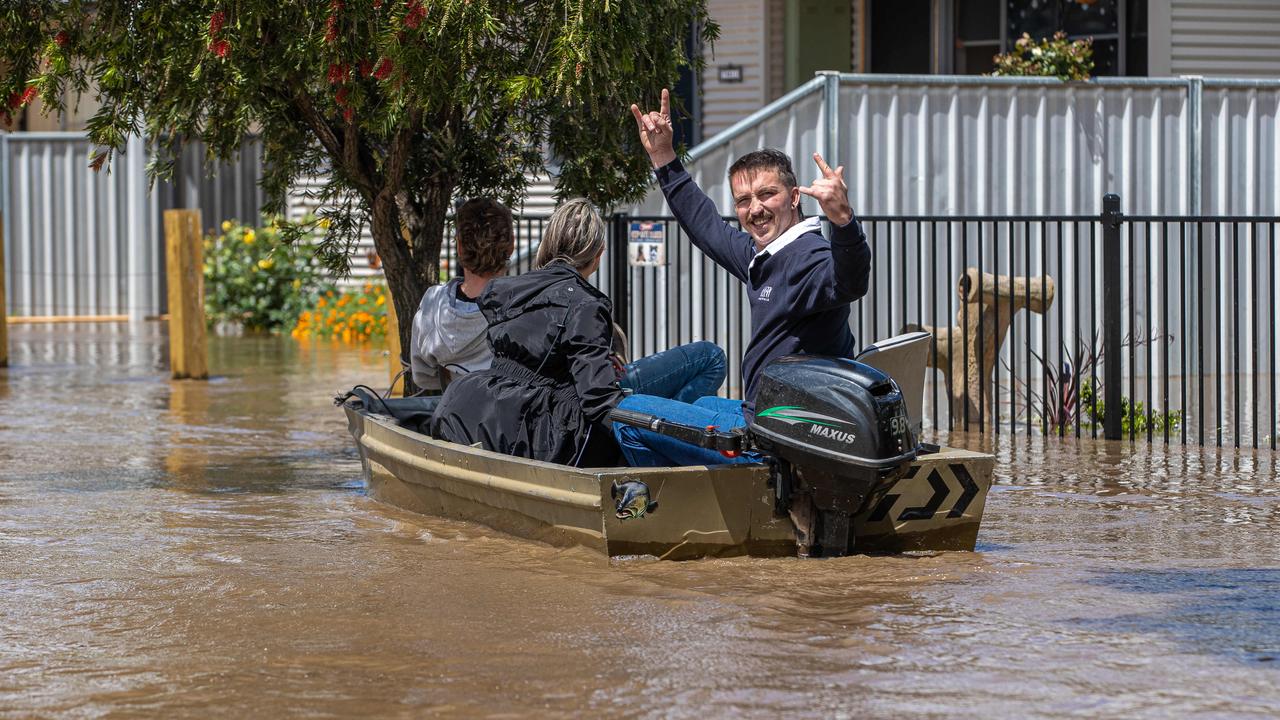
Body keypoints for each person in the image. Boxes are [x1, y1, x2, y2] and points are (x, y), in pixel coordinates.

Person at [614, 88, 872, 467]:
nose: (755, 209)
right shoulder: (764, 256)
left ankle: (666, 513)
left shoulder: (806, 257)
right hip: (764, 417)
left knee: (629, 412)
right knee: (702, 404)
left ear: (795, 197)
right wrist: (662, 155)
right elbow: (705, 228)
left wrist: (844, 221)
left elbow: (849, 282)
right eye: (743, 200)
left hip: (777, 442)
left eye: (767, 194)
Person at [431, 199, 724, 467]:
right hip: (558, 429)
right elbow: (598, 400)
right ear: (598, 253)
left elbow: (540, 351)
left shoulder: (505, 290)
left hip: (506, 406)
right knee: (711, 358)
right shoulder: (585, 304)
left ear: (548, 242)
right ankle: (679, 452)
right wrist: (651, 428)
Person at [409, 198, 515, 392]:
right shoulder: (523, 306)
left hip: (453, 412)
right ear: (511, 247)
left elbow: (422, 377)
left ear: (459, 247)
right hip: (510, 417)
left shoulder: (433, 303)